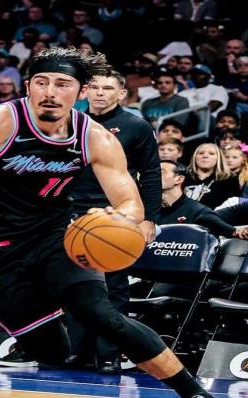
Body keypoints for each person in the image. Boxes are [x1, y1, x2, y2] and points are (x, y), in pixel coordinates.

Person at [0, 47, 229, 398]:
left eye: (62, 84)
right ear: (28, 86)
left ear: (81, 91)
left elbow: (130, 202)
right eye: (42, 82)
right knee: (51, 351)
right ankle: (52, 304)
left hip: (54, 237)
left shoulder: (95, 137)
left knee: (102, 315)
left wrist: (120, 218)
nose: (50, 92)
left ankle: (198, 396)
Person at [70, 69, 162, 372]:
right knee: (74, 285)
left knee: (113, 289)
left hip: (115, 215)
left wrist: (148, 219)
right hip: (71, 214)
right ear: (85, 91)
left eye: (107, 88)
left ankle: (110, 354)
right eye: (94, 87)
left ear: (121, 93)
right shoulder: (71, 122)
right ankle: (78, 351)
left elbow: (151, 174)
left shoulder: (136, 126)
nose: (100, 93)